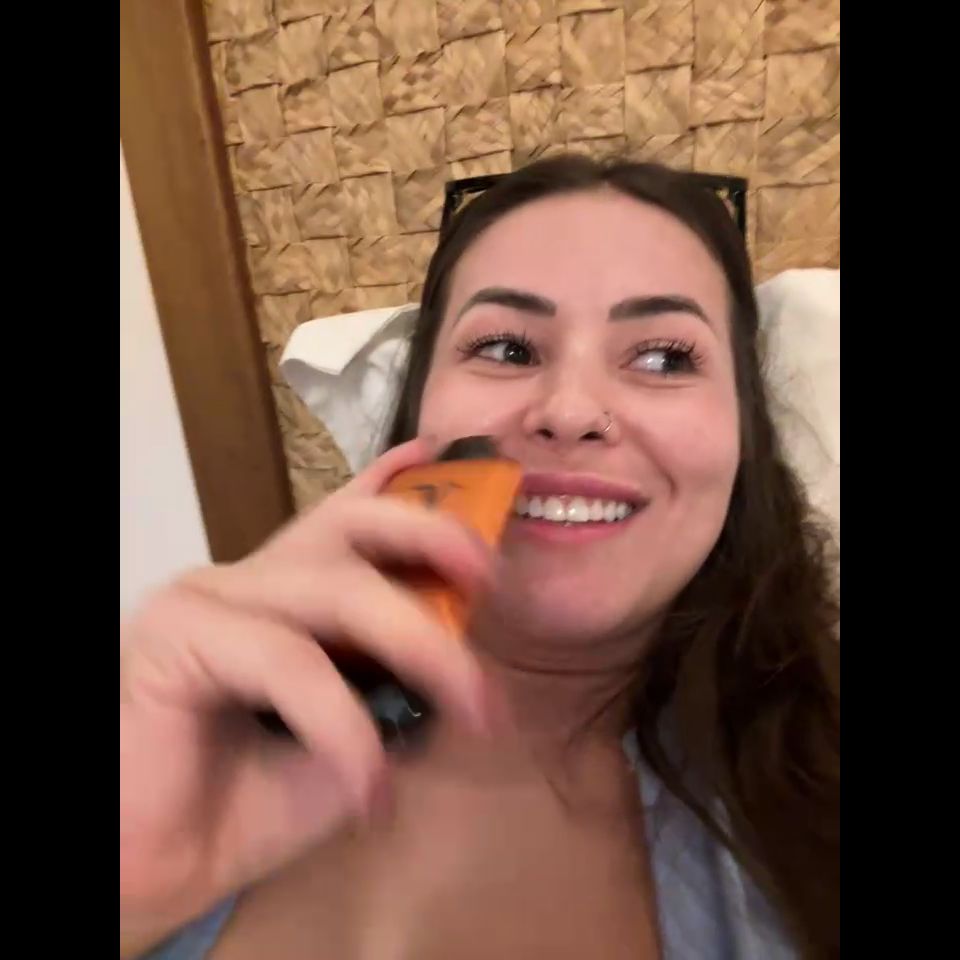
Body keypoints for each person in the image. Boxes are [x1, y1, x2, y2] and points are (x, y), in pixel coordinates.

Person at [120, 156, 840, 960]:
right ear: (419, 407)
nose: (570, 410)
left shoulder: (817, 793)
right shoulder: (197, 738)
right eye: (505, 347)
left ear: (744, 435)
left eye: (665, 358)